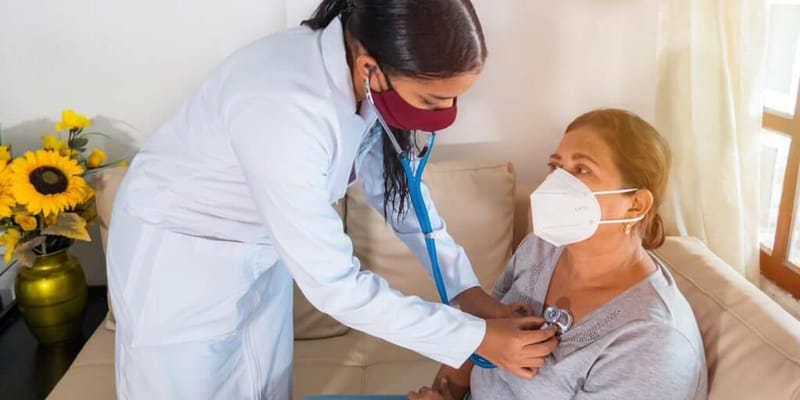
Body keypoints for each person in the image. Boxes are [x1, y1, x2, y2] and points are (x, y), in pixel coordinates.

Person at [106, 0, 559, 398]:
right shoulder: (284, 107)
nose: (445, 115)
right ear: (370, 69)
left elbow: (399, 195)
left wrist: (467, 292)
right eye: (433, 100)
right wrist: (477, 338)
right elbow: (337, 288)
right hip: (179, 267)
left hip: (256, 252)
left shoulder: (359, 74)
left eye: (456, 99)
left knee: (262, 385)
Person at [408, 109, 708, 400]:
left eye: (582, 170)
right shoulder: (540, 249)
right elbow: (478, 333)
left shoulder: (652, 339)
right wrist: (443, 393)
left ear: (636, 205)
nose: (557, 184)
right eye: (555, 166)